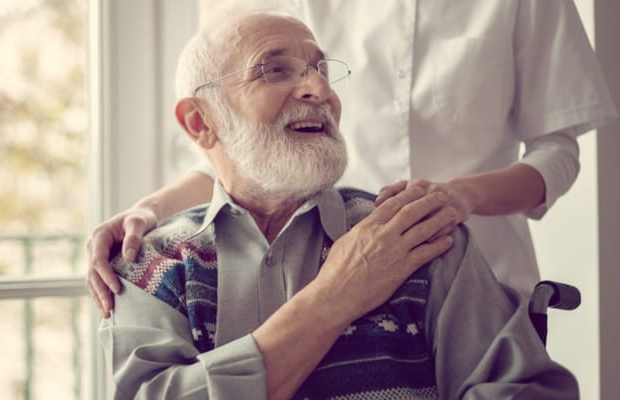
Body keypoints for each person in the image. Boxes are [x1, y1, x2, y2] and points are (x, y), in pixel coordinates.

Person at [99, 12, 578, 399]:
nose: (320, 90)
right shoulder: (151, 266)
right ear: (200, 121)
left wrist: (460, 197)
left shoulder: (425, 239)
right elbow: (238, 153)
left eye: (324, 71)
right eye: (275, 69)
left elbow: (559, 149)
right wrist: (339, 292)